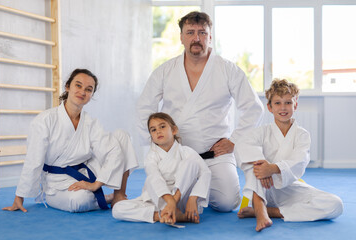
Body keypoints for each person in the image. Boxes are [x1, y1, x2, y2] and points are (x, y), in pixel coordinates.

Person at [137, 11, 263, 212]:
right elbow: (144, 107)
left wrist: (234, 140)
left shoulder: (227, 69)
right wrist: (155, 144)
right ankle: (189, 192)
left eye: (202, 33)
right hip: (177, 154)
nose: (196, 38)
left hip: (214, 155)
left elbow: (253, 108)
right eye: (190, 32)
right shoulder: (165, 71)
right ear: (181, 37)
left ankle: (193, 191)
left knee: (227, 203)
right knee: (161, 201)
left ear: (210, 36)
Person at [3, 69, 138, 213]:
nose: (82, 92)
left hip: (86, 171)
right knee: (78, 201)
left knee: (122, 136)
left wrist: (96, 184)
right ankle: (106, 198)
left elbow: (112, 151)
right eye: (78, 86)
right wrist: (19, 197)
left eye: (88, 89)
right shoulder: (45, 120)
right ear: (68, 87)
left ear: (91, 95)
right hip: (57, 182)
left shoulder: (90, 122)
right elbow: (33, 160)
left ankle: (119, 195)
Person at [234, 79, 343, 231]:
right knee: (255, 166)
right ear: (269, 107)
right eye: (277, 103)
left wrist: (272, 168)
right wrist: (264, 167)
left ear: (295, 105)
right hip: (263, 188)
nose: (283, 108)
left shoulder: (302, 135)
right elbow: (242, 145)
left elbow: (299, 161)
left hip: (288, 187)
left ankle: (271, 212)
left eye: (288, 103)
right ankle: (260, 209)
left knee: (335, 205)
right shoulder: (262, 132)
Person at [113, 112, 211, 224]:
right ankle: (164, 215)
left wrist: (193, 198)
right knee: (118, 209)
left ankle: (171, 210)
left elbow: (205, 173)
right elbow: (155, 179)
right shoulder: (151, 157)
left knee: (191, 163)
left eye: (162, 126)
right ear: (152, 137)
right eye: (153, 130)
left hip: (183, 199)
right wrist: (169, 201)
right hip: (160, 200)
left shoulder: (186, 152)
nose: (158, 131)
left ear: (174, 130)